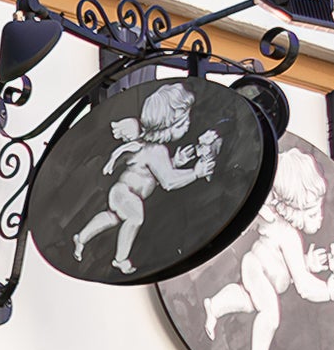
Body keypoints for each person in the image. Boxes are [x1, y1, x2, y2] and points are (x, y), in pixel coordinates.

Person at [200, 149, 334, 350]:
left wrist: (307, 262)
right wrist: (329, 291)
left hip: (261, 273)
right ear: (291, 207)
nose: (319, 218)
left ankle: (214, 306)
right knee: (270, 315)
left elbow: (289, 265)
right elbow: (303, 286)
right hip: (258, 269)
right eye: (313, 212)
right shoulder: (289, 235)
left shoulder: (286, 232)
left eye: (319, 209)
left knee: (249, 301)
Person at [71, 81, 223, 276]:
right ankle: (120, 260)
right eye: (184, 122)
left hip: (120, 193)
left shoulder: (153, 149)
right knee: (135, 217)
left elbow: (158, 173)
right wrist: (195, 172)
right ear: (168, 125)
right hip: (126, 193)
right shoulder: (157, 150)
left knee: (112, 217)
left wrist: (176, 162)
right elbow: (168, 182)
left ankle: (81, 237)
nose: (188, 126)